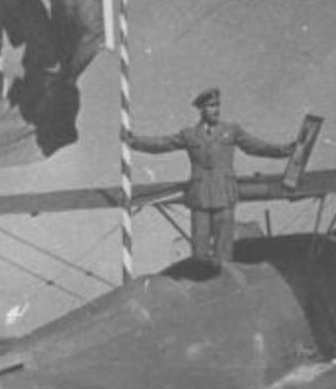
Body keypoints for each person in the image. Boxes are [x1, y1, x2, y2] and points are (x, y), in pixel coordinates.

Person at [128, 87, 298, 262]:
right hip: (200, 198)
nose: (216, 110)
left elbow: (256, 146)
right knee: (200, 254)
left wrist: (284, 150)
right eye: (210, 106)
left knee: (224, 253)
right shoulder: (190, 134)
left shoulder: (231, 130)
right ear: (201, 109)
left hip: (224, 195)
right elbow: (162, 144)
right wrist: (135, 142)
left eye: (217, 105)